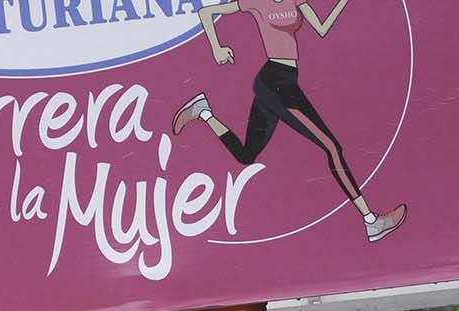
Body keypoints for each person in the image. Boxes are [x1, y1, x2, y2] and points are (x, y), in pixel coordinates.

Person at [172, 0, 405, 244]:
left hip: (284, 82)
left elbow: (322, 29)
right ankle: (371, 222)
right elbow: (206, 12)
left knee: (246, 155)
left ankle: (203, 111)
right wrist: (216, 48)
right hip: (274, 82)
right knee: (332, 148)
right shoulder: (256, 1)